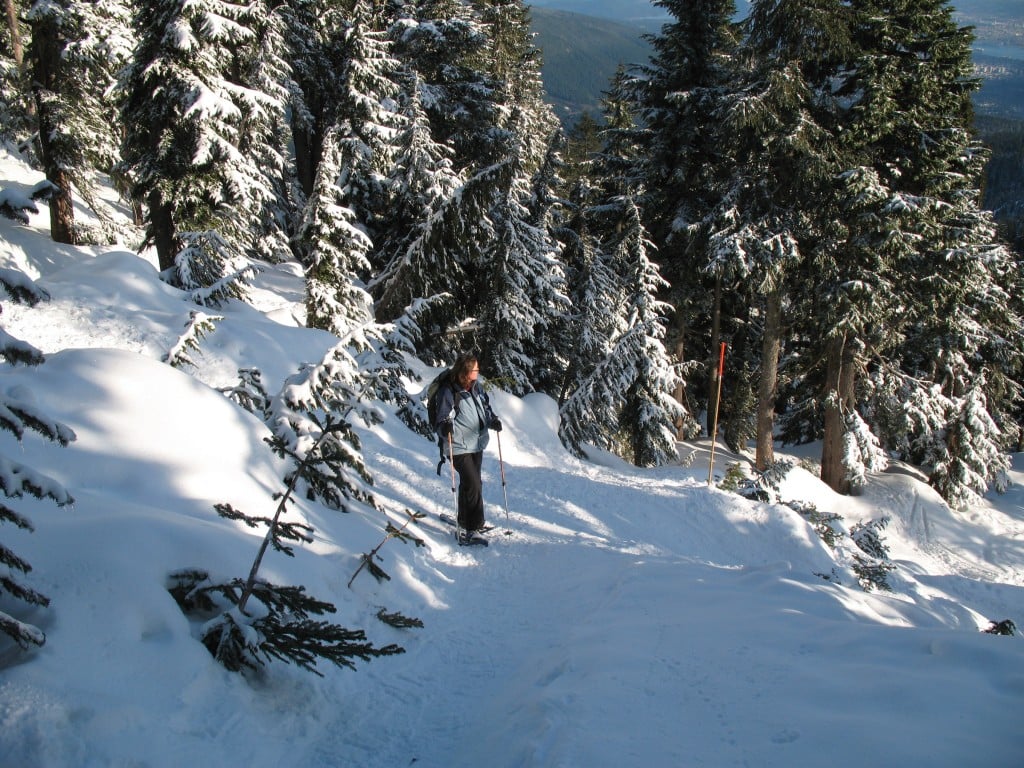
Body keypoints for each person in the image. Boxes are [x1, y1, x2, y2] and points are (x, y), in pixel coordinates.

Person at [435, 352, 502, 539]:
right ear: (466, 372)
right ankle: (473, 527)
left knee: (472, 483)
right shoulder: (449, 391)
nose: (478, 372)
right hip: (457, 446)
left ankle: (466, 520)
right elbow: (440, 420)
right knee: (473, 484)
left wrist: (493, 421)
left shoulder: (476, 388)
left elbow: (485, 409)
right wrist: (445, 427)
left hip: (476, 443)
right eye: (475, 369)